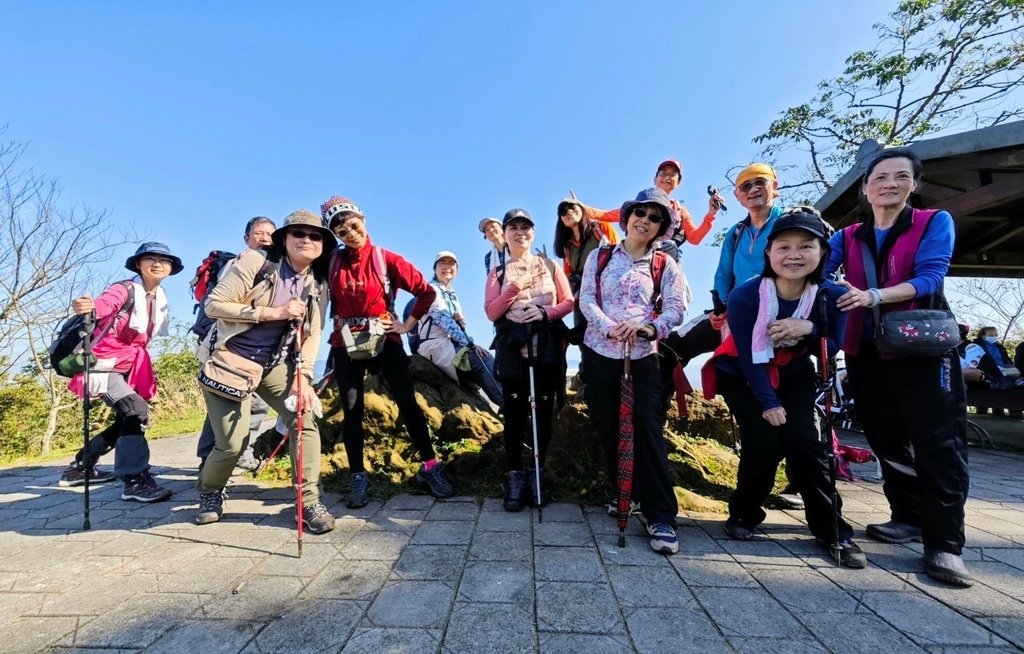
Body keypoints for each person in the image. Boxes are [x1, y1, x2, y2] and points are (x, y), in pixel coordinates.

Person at [825, 147, 971, 586]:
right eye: (880, 177)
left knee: (938, 442)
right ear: (866, 187)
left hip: (922, 350)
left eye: (900, 176)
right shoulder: (846, 237)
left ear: (913, 184)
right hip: (865, 350)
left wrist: (873, 295)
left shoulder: (933, 223)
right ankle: (907, 515)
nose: (889, 183)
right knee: (886, 437)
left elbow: (931, 277)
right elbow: (823, 276)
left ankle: (945, 544)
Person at [708, 209, 866, 569]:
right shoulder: (745, 296)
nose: (794, 254)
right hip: (742, 374)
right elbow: (750, 356)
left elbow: (833, 344)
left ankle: (833, 530)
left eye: (805, 246)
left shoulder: (831, 295)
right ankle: (745, 513)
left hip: (794, 371)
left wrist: (808, 328)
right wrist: (766, 401)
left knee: (804, 441)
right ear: (768, 254)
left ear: (822, 253)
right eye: (783, 246)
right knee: (764, 438)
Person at [193, 210, 336, 533]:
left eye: (315, 236)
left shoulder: (317, 283)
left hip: (276, 364)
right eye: (298, 233)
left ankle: (308, 501)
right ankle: (209, 491)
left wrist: (304, 378)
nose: (307, 240)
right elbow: (214, 305)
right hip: (231, 359)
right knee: (232, 444)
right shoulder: (255, 263)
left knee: (304, 419)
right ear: (283, 240)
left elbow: (313, 333)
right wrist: (273, 313)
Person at [322, 195, 454, 509]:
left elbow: (426, 291)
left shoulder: (386, 259)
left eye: (353, 226)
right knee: (352, 410)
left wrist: (406, 325)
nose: (350, 234)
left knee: (407, 403)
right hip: (344, 345)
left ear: (363, 220)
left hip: (386, 341)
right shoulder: (330, 262)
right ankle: (357, 476)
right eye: (342, 232)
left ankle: (430, 468)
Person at [579, 188, 687, 555]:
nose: (645, 219)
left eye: (655, 216)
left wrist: (649, 329)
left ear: (662, 227)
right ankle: (625, 491)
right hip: (599, 351)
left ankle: (661, 516)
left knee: (647, 430)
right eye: (639, 212)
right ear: (627, 217)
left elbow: (675, 307)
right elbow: (586, 299)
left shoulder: (664, 265)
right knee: (608, 427)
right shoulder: (601, 255)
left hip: (641, 356)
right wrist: (609, 326)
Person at [58, 242, 182, 503]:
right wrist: (88, 307)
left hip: (131, 366)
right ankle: (134, 479)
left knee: (129, 418)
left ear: (170, 269)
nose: (157, 264)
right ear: (138, 264)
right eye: (150, 258)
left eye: (164, 260)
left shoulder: (158, 299)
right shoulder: (123, 289)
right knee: (135, 410)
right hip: (103, 365)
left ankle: (81, 466)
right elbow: (103, 306)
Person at [485, 208, 572, 511]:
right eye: (514, 228)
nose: (520, 233)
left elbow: (568, 301)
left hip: (545, 349)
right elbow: (492, 311)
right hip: (513, 351)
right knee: (514, 413)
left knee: (544, 411)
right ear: (505, 235)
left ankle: (538, 473)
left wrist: (546, 312)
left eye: (525, 227)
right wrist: (513, 289)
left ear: (533, 232)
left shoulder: (549, 264)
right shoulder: (497, 272)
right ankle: (514, 475)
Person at [195, 216, 276, 471]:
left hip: (257, 348)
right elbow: (220, 304)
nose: (264, 238)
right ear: (246, 239)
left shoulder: (272, 266)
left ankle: (239, 452)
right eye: (258, 233)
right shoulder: (237, 263)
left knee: (255, 403)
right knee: (225, 397)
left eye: (269, 234)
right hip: (228, 344)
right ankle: (209, 459)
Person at [416, 250, 504, 410]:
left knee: (485, 356)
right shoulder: (432, 290)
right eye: (442, 263)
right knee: (479, 358)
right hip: (435, 344)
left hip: (448, 344)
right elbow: (445, 322)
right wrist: (470, 344)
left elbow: (458, 326)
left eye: (451, 263)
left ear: (457, 269)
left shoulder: (451, 294)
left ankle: (505, 403)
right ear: (434, 268)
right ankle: (509, 405)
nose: (447, 267)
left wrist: (468, 338)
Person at [552, 195, 619, 347]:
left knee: (611, 339)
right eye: (563, 211)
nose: (568, 211)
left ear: (582, 209)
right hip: (582, 299)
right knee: (586, 343)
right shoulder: (567, 246)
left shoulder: (601, 228)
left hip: (607, 293)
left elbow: (619, 255)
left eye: (572, 206)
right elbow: (568, 276)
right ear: (561, 219)